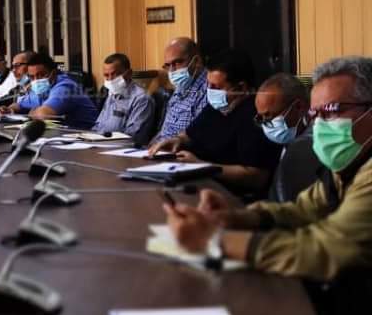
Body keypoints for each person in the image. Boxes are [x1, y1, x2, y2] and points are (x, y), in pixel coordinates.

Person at [163, 56, 372, 286]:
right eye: (315, 114)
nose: (319, 126)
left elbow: (329, 251)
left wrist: (217, 240)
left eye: (332, 110)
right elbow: (304, 209)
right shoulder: (349, 163)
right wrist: (238, 217)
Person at [149, 49, 282, 198]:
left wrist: (202, 166)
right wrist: (177, 140)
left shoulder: (255, 115)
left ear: (241, 88)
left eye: (216, 87)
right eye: (208, 85)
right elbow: (189, 135)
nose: (209, 91)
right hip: (198, 183)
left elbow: (257, 177)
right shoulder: (218, 105)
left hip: (228, 196)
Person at [255, 73, 325, 202]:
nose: (266, 124)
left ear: (299, 107)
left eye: (269, 116)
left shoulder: (314, 146)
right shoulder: (292, 140)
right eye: (261, 118)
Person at [0, 53, 98, 129]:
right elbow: (20, 105)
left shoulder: (65, 86)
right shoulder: (41, 88)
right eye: (32, 77)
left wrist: (32, 112)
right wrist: (9, 109)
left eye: (41, 75)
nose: (36, 80)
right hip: (65, 134)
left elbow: (44, 115)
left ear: (53, 73)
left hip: (87, 135)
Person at [152, 37, 208, 142]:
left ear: (197, 61)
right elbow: (165, 130)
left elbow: (200, 138)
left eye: (177, 62)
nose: (172, 70)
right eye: (168, 65)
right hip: (161, 148)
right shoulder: (181, 86)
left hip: (179, 150)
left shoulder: (210, 89)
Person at [92, 53, 156, 144]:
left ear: (129, 73)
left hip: (121, 147)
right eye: (106, 75)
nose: (110, 79)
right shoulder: (111, 94)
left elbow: (133, 137)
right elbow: (98, 126)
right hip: (101, 144)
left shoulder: (141, 99)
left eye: (114, 74)